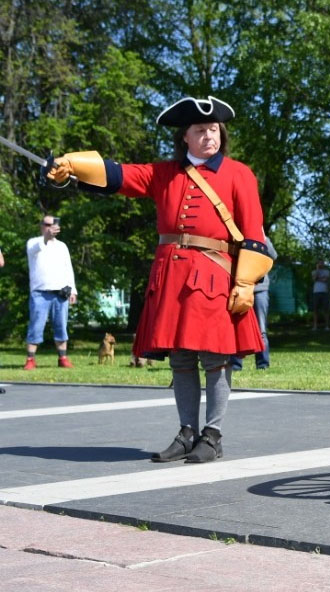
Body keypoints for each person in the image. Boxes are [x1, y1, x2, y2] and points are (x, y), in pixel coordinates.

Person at [47, 95, 272, 463]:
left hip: (216, 276)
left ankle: (212, 436)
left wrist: (245, 281)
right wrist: (70, 166)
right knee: (181, 359)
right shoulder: (164, 173)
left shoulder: (239, 174)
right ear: (185, 136)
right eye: (200, 130)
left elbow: (253, 234)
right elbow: (120, 175)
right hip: (171, 276)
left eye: (213, 129)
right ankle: (187, 433)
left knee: (216, 359)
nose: (209, 136)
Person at [23, 214, 77, 369]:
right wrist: (46, 238)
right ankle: (30, 360)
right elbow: (38, 247)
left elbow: (68, 269)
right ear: (42, 226)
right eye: (47, 225)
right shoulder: (33, 242)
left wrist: (73, 290)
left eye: (52, 225)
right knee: (36, 326)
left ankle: (63, 358)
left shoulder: (62, 246)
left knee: (61, 326)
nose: (50, 228)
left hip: (60, 293)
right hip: (40, 293)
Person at [231, 235, 275, 371]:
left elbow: (273, 256)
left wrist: (262, 238)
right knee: (236, 326)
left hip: (259, 290)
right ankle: (235, 364)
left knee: (261, 329)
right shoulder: (236, 237)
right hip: (240, 287)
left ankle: (262, 364)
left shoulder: (263, 238)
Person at [311, 260, 330, 330]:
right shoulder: (314, 271)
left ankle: (327, 326)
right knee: (315, 309)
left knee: (326, 309)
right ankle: (315, 326)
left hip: (324, 292)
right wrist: (317, 270)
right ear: (317, 264)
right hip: (316, 292)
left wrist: (318, 279)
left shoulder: (327, 271)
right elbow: (314, 279)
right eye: (319, 263)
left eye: (322, 263)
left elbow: (326, 280)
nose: (321, 264)